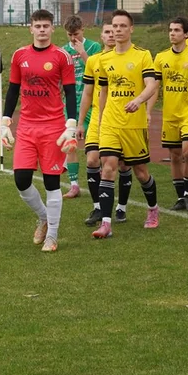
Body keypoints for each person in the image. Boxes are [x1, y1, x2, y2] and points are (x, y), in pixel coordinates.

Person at [0, 9, 78, 252]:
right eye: (38, 25)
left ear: (52, 28)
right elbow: (13, 89)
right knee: (21, 180)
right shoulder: (19, 55)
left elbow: (70, 92)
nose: (42, 30)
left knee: (51, 182)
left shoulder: (62, 57)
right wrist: (5, 121)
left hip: (53, 127)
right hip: (26, 127)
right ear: (31, 28)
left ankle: (52, 237)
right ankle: (44, 217)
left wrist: (71, 125)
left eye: (46, 25)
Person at [92, 9, 160, 239]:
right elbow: (103, 91)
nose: (118, 30)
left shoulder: (143, 55)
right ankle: (106, 223)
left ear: (131, 29)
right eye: (114, 26)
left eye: (122, 26)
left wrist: (139, 100)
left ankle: (152, 209)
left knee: (141, 173)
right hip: (111, 123)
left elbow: (151, 85)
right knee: (108, 168)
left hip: (133, 124)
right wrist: (101, 121)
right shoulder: (104, 59)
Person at [150, 17, 188, 211]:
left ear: (186, 34)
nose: (172, 33)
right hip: (170, 115)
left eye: (177, 30)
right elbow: (155, 87)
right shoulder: (161, 57)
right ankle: (181, 197)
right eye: (170, 30)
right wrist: (148, 110)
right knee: (175, 156)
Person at [76, 23, 128, 226]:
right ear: (101, 37)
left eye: (114, 31)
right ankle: (98, 207)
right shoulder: (94, 61)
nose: (112, 34)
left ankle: (121, 207)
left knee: (123, 165)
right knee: (91, 161)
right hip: (98, 117)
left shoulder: (127, 58)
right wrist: (80, 123)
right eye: (107, 31)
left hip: (122, 117)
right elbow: (88, 93)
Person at [60, 15, 102, 198]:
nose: (73, 38)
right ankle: (74, 185)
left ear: (82, 30)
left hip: (91, 104)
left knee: (94, 147)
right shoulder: (62, 51)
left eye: (76, 34)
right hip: (70, 105)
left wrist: (83, 52)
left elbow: (97, 71)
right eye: (70, 35)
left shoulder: (94, 47)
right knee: (70, 145)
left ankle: (99, 181)